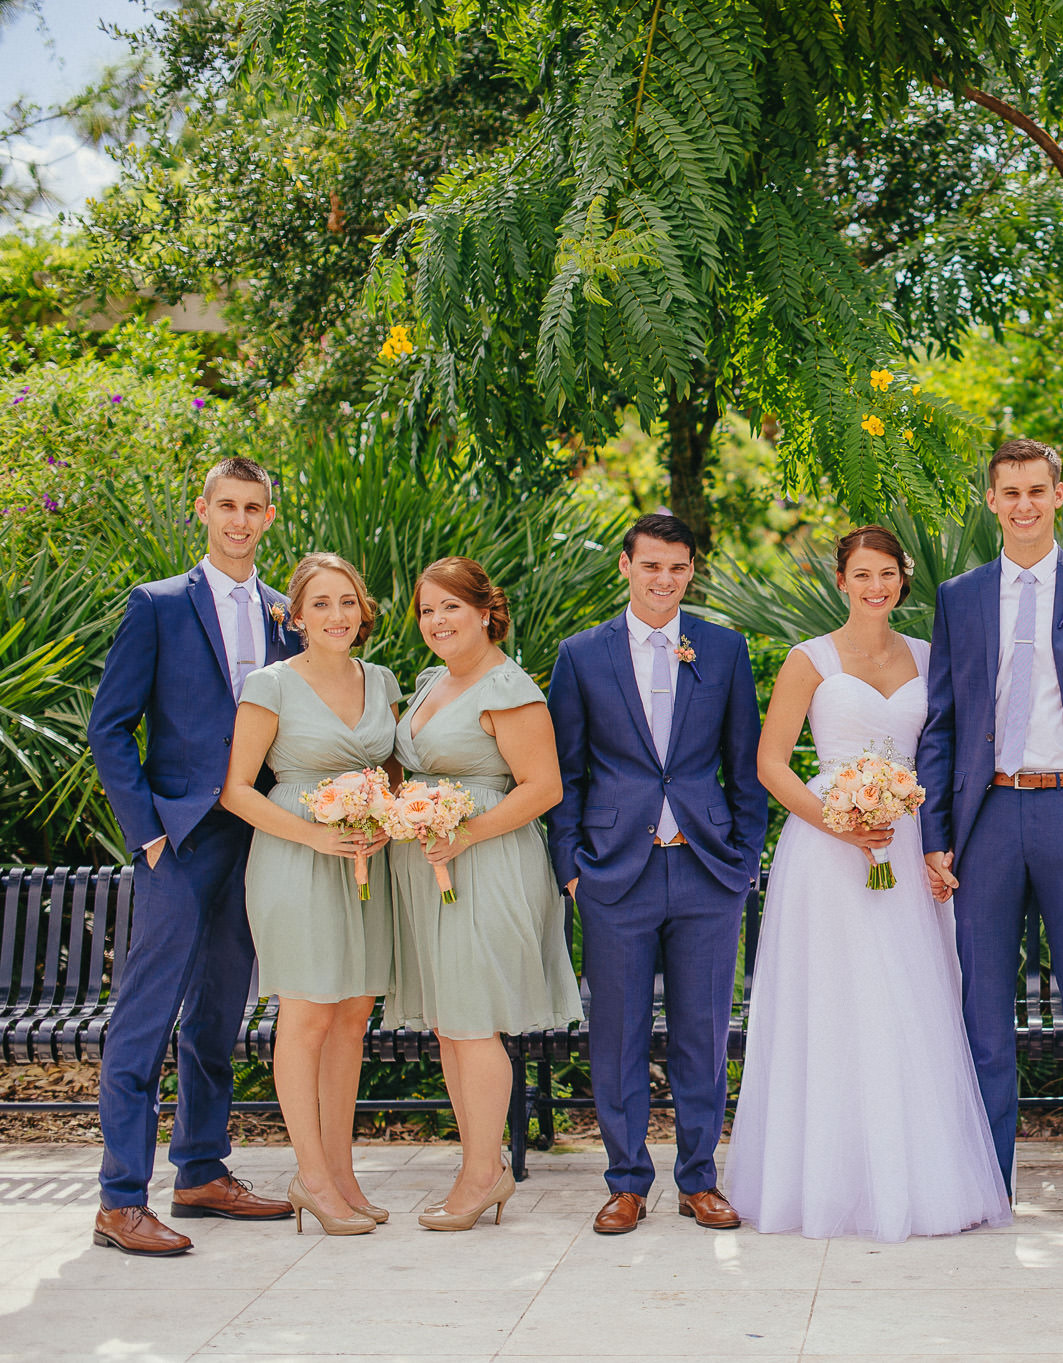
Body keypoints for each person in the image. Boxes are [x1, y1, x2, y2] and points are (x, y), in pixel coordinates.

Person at [727, 527, 1013, 1241]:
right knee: (835, 1005)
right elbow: (771, 764)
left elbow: (943, 754)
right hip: (827, 853)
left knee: (911, 1000)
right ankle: (828, 1184)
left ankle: (919, 1182)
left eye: (887, 573)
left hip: (907, 842)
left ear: (902, 579)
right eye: (862, 573)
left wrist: (937, 844)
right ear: (841, 579)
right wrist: (837, 820)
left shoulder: (926, 655)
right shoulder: (809, 660)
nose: (875, 586)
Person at [919, 438, 1063, 1239]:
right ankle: (990, 1184)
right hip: (988, 817)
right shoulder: (960, 596)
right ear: (991, 500)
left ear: (1059, 495)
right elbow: (944, 721)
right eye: (1009, 491)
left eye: (1036, 490)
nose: (1023, 503)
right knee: (984, 1008)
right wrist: (936, 831)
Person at [85, 456, 300, 1256]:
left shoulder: (287, 615)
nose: (240, 521)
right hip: (177, 837)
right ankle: (117, 1198)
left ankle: (202, 1169)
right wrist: (146, 831)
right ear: (203, 511)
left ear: (269, 517)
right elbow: (111, 727)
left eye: (254, 508)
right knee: (146, 1014)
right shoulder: (160, 606)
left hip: (257, 836)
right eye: (227, 507)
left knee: (220, 1013)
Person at [548, 514, 769, 1236]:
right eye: (651, 566)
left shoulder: (724, 647)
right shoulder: (582, 655)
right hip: (615, 871)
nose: (663, 579)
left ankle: (700, 1178)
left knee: (704, 1031)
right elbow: (568, 774)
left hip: (707, 868)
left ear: (691, 570)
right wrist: (573, 869)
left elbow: (745, 766)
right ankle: (625, 1181)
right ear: (625, 565)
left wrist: (740, 861)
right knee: (617, 1031)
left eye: (677, 567)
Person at [390, 557, 581, 1231]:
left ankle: (482, 1175)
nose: (437, 622)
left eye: (450, 608)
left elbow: (543, 787)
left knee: (474, 1022)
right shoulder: (430, 683)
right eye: (427, 610)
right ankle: (479, 1163)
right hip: (430, 866)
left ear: (483, 610)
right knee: (451, 1023)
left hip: (488, 863)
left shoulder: (509, 689)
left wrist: (464, 832)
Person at [220, 552, 401, 1236]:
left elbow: (384, 770)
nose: (337, 615)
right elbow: (236, 789)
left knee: (354, 1013)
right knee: (308, 1016)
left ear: (363, 611)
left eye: (348, 601)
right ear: (295, 616)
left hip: (363, 862)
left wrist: (383, 818)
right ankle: (311, 1176)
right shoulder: (270, 685)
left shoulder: (381, 680)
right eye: (321, 603)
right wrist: (314, 835)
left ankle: (342, 1170)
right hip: (296, 861)